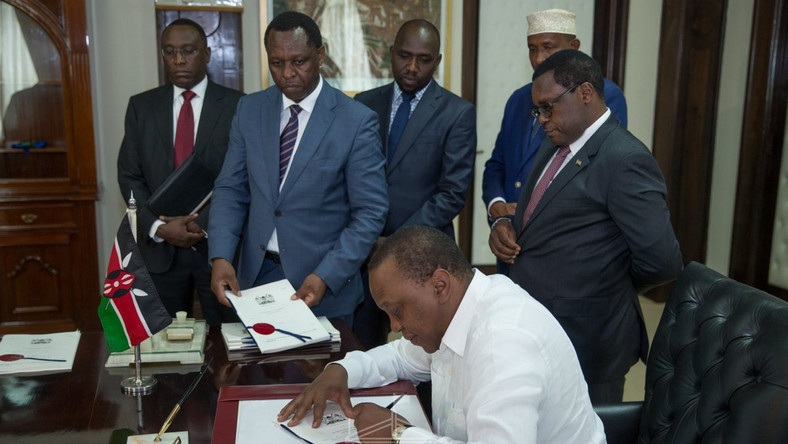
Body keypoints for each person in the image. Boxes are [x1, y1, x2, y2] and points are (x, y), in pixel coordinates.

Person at [278, 226, 605, 443]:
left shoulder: (504, 342)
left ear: (440, 285)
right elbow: (399, 358)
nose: (394, 327)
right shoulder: (458, 311)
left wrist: (397, 435)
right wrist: (341, 371)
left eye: (398, 311)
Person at [489, 49, 683, 403]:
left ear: (585, 93)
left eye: (548, 106)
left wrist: (605, 281)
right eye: (538, 110)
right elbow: (541, 216)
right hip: (536, 326)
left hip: (590, 339)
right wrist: (504, 223)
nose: (542, 119)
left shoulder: (625, 159)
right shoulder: (558, 141)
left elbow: (662, 260)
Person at [208, 11, 388, 326]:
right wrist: (221, 257)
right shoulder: (250, 110)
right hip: (256, 278)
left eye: (299, 62)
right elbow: (231, 189)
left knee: (320, 375)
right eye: (277, 63)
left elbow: (370, 212)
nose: (288, 73)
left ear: (320, 55)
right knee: (257, 375)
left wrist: (326, 274)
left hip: (323, 284)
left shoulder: (355, 121)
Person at [352, 19, 476, 349]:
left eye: (423, 60)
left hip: (423, 255)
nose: (411, 67)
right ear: (390, 54)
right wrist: (363, 235)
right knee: (365, 346)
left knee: (424, 353)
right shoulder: (363, 103)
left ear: (436, 61)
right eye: (404, 56)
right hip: (363, 251)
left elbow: (452, 193)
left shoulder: (456, 112)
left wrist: (395, 242)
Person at [117, 18, 243, 326]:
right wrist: (157, 227)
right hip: (160, 250)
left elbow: (243, 177)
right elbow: (129, 175)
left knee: (227, 342)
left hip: (218, 249)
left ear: (207, 53)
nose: (178, 60)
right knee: (163, 346)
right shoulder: (141, 107)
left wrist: (200, 224)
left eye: (188, 51)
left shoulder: (238, 105)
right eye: (170, 52)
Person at [482, 8, 628, 273]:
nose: (539, 59)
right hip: (510, 242)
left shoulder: (602, 96)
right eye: (532, 49)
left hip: (561, 251)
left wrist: (529, 207)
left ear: (573, 47)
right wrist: (498, 209)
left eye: (548, 48)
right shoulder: (518, 99)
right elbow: (497, 163)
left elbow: (592, 173)